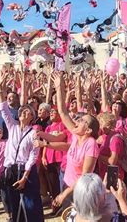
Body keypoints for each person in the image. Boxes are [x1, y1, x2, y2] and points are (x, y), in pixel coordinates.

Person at [0, 70, 44, 222]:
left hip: (26, 171)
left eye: (27, 111)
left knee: (31, 205)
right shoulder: (12, 127)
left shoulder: (33, 132)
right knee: (14, 203)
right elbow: (3, 109)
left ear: (32, 117)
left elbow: (33, 155)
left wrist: (25, 176)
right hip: (11, 169)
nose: (24, 112)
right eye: (22, 110)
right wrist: (0, 88)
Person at [52, 71, 100, 213]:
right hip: (68, 184)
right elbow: (63, 112)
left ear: (88, 130)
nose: (78, 120)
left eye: (83, 121)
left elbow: (85, 176)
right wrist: (59, 87)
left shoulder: (91, 144)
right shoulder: (75, 134)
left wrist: (64, 194)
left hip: (80, 190)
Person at [63, 173, 127, 222]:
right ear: (104, 197)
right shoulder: (117, 219)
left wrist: (101, 191)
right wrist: (122, 200)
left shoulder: (70, 217)